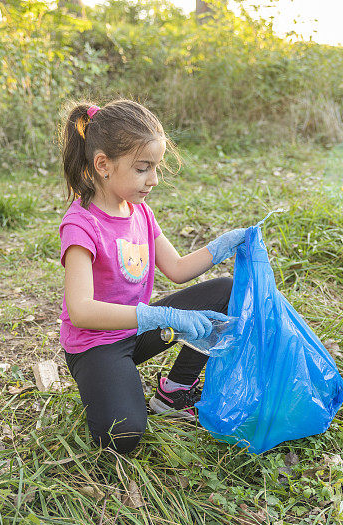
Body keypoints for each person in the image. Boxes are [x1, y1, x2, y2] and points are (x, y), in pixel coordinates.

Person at [59, 99, 247, 455]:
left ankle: (174, 390)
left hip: (139, 330)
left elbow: (176, 269)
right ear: (103, 165)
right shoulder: (81, 225)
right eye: (144, 168)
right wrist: (161, 316)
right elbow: (81, 310)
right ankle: (111, 385)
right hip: (97, 345)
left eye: (156, 167)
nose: (154, 180)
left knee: (225, 291)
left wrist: (222, 246)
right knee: (123, 434)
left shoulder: (139, 211)